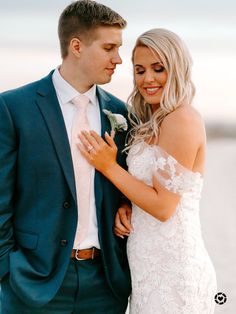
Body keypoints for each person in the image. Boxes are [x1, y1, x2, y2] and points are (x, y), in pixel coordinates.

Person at [0, 1, 131, 313]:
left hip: (104, 284)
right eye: (109, 48)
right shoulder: (14, 107)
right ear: (77, 46)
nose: (118, 59)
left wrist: (125, 206)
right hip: (31, 283)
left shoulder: (119, 112)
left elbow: (123, 182)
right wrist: (7, 269)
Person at [78, 28, 217, 313]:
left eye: (158, 68)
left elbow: (164, 206)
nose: (147, 79)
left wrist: (108, 166)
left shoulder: (182, 119)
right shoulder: (151, 121)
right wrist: (126, 205)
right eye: (140, 70)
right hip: (146, 269)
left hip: (175, 270)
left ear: (176, 68)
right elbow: (149, 187)